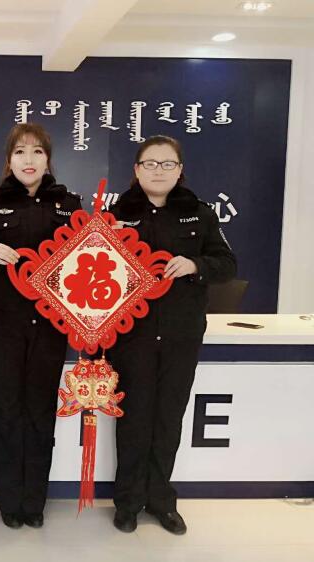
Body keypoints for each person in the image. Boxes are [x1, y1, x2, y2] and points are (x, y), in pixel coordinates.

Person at [108, 135, 237, 535]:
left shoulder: (199, 214)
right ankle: (128, 502)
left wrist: (196, 264)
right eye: (150, 163)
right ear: (136, 170)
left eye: (167, 164)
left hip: (181, 334)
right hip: (132, 337)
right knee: (133, 420)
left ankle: (162, 501)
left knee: (168, 419)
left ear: (180, 170)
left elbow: (227, 264)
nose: (159, 170)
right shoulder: (117, 215)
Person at [0, 123, 82, 529]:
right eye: (20, 152)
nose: (28, 160)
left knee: (40, 412)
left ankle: (34, 502)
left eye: (36, 152)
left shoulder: (69, 204)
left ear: (48, 159)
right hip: (3, 323)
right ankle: (8, 501)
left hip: (50, 325)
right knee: (6, 411)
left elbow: (86, 260)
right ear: (9, 160)